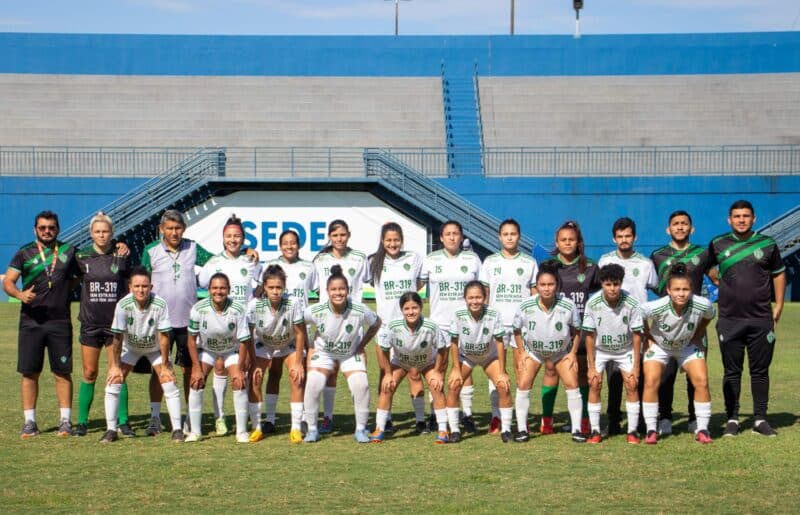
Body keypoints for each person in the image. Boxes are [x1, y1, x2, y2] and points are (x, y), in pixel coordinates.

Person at [708, 199, 785, 437]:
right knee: (732, 371)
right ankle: (732, 418)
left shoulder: (768, 244)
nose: (741, 220)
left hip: (761, 319)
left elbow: (778, 273)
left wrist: (779, 305)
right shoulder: (718, 244)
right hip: (730, 319)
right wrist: (719, 281)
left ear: (754, 219)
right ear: (729, 220)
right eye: (737, 216)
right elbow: (709, 267)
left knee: (760, 371)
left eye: (746, 216)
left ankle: (760, 419)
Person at [4, 210, 78, 438]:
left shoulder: (69, 251)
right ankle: (30, 423)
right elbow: (8, 281)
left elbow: (81, 275)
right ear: (35, 229)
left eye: (52, 227)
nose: (47, 231)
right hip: (31, 322)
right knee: (29, 373)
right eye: (43, 228)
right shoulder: (24, 253)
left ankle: (65, 421)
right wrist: (19, 294)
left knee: (62, 373)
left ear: (58, 229)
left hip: (60, 322)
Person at [140, 209, 213, 435]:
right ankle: (155, 417)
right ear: (162, 229)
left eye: (178, 228)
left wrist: (245, 251)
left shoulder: (192, 248)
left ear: (184, 229)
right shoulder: (150, 251)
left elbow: (215, 260)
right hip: (160, 322)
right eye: (169, 228)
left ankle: (190, 417)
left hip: (188, 322)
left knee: (189, 369)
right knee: (159, 369)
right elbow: (141, 281)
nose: (174, 232)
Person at [102, 267, 184, 443]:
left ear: (151, 286)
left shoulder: (160, 304)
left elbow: (164, 337)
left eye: (145, 286)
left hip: (154, 348)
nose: (141, 290)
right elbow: (117, 337)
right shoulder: (123, 305)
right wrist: (115, 366)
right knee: (113, 381)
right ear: (130, 287)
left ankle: (177, 429)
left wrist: (166, 365)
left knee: (168, 382)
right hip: (131, 348)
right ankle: (110, 430)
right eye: (137, 286)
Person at [197, 214, 261, 437]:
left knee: (246, 370)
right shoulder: (214, 263)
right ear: (223, 238)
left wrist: (253, 304)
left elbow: (261, 285)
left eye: (237, 236)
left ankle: (252, 419)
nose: (233, 239)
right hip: (221, 325)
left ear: (243, 238)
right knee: (220, 368)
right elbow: (203, 285)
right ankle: (220, 418)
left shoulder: (251, 260)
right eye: (229, 236)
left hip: (245, 327)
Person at [302, 265, 381, 443]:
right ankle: (312, 429)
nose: (338, 293)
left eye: (342, 289)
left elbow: (376, 323)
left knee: (361, 385)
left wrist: (362, 345)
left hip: (350, 354)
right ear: (327, 291)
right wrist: (309, 346)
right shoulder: (317, 309)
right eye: (334, 289)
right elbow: (299, 321)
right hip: (323, 353)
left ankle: (360, 429)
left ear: (348, 290)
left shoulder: (360, 309)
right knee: (314, 383)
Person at [650, 210, 712, 435]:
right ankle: (665, 417)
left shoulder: (703, 254)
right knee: (666, 373)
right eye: (675, 224)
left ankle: (695, 418)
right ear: (668, 229)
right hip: (666, 325)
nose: (680, 227)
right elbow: (653, 286)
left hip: (694, 323)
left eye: (684, 224)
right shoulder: (657, 255)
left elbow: (717, 276)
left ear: (691, 228)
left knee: (696, 372)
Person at [640, 263, 715, 444]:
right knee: (651, 381)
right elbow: (639, 315)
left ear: (691, 290)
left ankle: (703, 429)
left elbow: (709, 316)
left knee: (702, 381)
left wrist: (697, 335)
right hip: (660, 346)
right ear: (668, 290)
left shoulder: (702, 304)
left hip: (686, 346)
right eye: (677, 289)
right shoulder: (656, 306)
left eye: (685, 289)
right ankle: (651, 429)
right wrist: (648, 336)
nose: (681, 293)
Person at [420, 220, 481, 433]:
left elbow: (482, 289)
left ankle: (467, 414)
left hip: (466, 322)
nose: (452, 237)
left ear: (461, 236)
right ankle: (435, 414)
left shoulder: (472, 259)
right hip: (439, 323)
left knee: (465, 366)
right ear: (441, 238)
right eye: (448, 234)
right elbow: (416, 285)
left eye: (456, 233)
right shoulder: (431, 260)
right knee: (439, 368)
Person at [73, 212, 132, 437]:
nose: (101, 235)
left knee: (117, 372)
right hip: (90, 324)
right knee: (89, 372)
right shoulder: (81, 257)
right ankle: (82, 422)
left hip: (114, 325)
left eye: (105, 231)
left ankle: (123, 421)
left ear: (112, 233)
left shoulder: (122, 255)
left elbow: (130, 284)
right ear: (91, 234)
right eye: (97, 231)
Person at [512, 262, 585, 443]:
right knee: (523, 384)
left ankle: (576, 429)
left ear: (557, 285)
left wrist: (573, 353)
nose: (546, 289)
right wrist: (522, 352)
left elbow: (577, 330)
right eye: (542, 285)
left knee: (572, 384)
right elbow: (516, 329)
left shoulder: (568, 305)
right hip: (534, 352)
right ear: (536, 286)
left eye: (550, 284)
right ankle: (522, 430)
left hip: (560, 353)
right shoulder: (525, 305)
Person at [539, 220, 599, 435]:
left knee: (581, 372)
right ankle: (547, 420)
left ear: (578, 242)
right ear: (557, 242)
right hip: (553, 328)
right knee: (551, 369)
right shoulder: (548, 265)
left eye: (571, 239)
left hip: (580, 330)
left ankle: (583, 420)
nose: (567, 243)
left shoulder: (590, 266)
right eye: (563, 240)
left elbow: (601, 294)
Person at [598, 217, 656, 435]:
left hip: (638, 328)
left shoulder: (645, 263)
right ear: (614, 238)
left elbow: (655, 289)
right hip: (612, 327)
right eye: (620, 236)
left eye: (628, 236)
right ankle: (613, 420)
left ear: (635, 237)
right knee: (614, 378)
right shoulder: (604, 260)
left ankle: (639, 421)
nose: (624, 240)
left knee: (636, 375)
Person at [479, 218, 537, 434]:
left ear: (519, 236)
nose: (510, 237)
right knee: (497, 372)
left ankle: (521, 420)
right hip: (496, 325)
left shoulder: (529, 263)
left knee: (522, 372)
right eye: (506, 234)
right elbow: (485, 296)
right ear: (499, 236)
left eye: (513, 234)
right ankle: (497, 417)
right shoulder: (490, 262)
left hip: (521, 327)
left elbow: (534, 296)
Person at [311, 220, 368, 434]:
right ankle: (327, 418)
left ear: (349, 235)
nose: (339, 239)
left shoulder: (360, 258)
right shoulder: (320, 260)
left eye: (343, 234)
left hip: (353, 325)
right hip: (328, 325)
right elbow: (312, 289)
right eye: (335, 235)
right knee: (330, 372)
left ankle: (361, 422)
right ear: (329, 237)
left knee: (358, 374)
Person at [367, 222, 425, 433]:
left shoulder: (414, 258)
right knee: (386, 373)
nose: (393, 244)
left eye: (396, 240)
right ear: (382, 241)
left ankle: (421, 420)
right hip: (385, 326)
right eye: (389, 240)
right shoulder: (373, 261)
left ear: (402, 240)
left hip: (411, 325)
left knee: (414, 371)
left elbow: (418, 285)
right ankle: (386, 418)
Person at [370, 292, 449, 443]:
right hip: (401, 361)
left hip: (426, 361)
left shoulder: (431, 326)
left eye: (415, 308)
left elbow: (443, 349)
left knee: (436, 386)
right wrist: (387, 373)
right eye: (407, 308)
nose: (411, 312)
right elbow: (382, 348)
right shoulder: (393, 326)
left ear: (421, 307)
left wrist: (438, 372)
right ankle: (379, 428)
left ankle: (443, 430)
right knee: (386, 386)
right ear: (401, 310)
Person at [258, 229, 316, 435]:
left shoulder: (310, 267)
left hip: (301, 329)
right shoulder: (271, 266)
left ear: (299, 245)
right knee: (274, 373)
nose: (289, 246)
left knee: (300, 375)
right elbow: (259, 295)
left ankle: (301, 421)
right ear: (279, 245)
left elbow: (320, 292)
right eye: (285, 243)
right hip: (274, 329)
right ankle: (271, 420)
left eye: (293, 243)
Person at [185, 273, 253, 443]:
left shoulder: (238, 309)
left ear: (229, 290)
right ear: (208, 290)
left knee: (239, 380)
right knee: (196, 381)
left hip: (231, 351)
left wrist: (240, 368)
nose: (218, 291)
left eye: (222, 288)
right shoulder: (198, 309)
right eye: (215, 288)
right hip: (207, 350)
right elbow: (191, 340)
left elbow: (244, 341)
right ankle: (195, 431)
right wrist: (196, 367)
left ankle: (242, 431)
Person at [582, 264, 644, 444]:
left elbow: (638, 335)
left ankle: (632, 431)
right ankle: (595, 431)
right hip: (601, 351)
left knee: (632, 384)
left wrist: (636, 367)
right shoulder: (592, 304)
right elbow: (589, 336)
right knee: (594, 383)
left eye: (616, 284)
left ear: (621, 283)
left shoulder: (631, 303)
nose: (612, 288)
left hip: (625, 351)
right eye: (608, 284)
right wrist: (592, 367)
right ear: (602, 283)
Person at [445, 281, 514, 443]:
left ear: (485, 298)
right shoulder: (458, 314)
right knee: (454, 385)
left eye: (478, 297)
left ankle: (506, 429)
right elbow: (454, 342)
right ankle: (455, 429)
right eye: (471, 298)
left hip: (489, 356)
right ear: (465, 298)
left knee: (503, 385)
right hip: (467, 356)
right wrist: (455, 368)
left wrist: (503, 371)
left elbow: (499, 342)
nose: (474, 301)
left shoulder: (494, 314)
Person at [246, 265, 308, 444]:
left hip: (287, 343)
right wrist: (252, 361)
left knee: (296, 376)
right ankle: (258, 427)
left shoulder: (293, 303)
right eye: (271, 287)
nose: (275, 291)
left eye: (279, 287)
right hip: (263, 343)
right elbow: (249, 335)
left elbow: (299, 333)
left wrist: (297, 363)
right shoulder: (254, 305)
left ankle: (296, 428)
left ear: (284, 287)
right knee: (255, 378)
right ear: (264, 287)